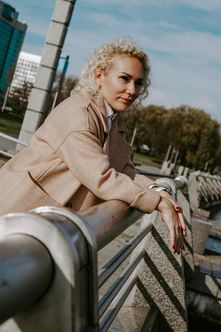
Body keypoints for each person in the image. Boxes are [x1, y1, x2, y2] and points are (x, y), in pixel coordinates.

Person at [0, 38, 186, 253]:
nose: (132, 90)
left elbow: (125, 170)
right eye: (124, 79)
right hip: (14, 212)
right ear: (100, 76)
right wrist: (156, 202)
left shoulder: (113, 120)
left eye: (138, 83)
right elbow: (101, 176)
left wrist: (158, 191)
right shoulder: (79, 114)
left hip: (40, 226)